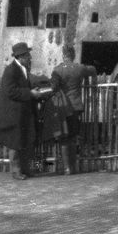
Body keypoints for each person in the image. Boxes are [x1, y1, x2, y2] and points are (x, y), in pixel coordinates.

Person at [0, 42, 53, 179]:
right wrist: (30, 93)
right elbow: (10, 91)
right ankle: (16, 172)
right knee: (15, 143)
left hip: (22, 112)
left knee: (25, 141)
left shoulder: (22, 69)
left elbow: (20, 88)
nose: (30, 58)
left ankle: (25, 170)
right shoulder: (11, 70)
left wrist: (32, 92)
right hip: (13, 113)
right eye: (27, 55)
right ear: (20, 56)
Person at [50, 44, 97, 175]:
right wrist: (94, 82)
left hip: (63, 108)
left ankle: (67, 168)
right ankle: (73, 167)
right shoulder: (79, 68)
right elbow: (93, 69)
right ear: (73, 55)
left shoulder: (58, 70)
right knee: (73, 137)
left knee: (64, 137)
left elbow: (53, 87)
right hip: (76, 107)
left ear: (63, 55)